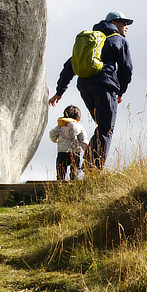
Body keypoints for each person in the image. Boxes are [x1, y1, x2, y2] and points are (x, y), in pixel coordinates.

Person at [49, 10, 133, 171]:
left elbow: (70, 65)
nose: (126, 26)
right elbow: (126, 69)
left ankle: (89, 165)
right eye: (124, 22)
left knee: (102, 126)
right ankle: (92, 169)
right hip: (105, 86)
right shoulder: (118, 40)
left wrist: (60, 91)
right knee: (106, 128)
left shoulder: (91, 41)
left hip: (85, 87)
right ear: (114, 23)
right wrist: (121, 91)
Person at [48, 105, 87, 180]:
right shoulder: (80, 128)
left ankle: (60, 185)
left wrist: (56, 140)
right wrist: (88, 150)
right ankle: (74, 184)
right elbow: (83, 141)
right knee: (75, 171)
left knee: (60, 172)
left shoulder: (59, 127)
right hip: (75, 153)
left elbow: (53, 137)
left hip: (62, 152)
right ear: (77, 118)